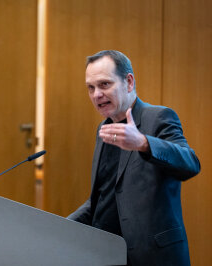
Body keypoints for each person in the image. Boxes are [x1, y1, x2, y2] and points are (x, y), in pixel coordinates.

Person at [67, 50, 200, 266]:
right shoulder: (104, 129)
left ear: (129, 82)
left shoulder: (158, 117)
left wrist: (143, 143)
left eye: (104, 84)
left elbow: (191, 163)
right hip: (108, 254)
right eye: (90, 88)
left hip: (154, 257)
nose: (96, 94)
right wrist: (58, 226)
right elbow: (101, 199)